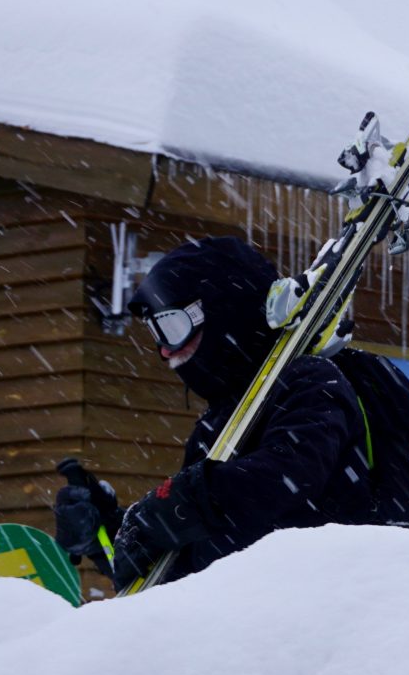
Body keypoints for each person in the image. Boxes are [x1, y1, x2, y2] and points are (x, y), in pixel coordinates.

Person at [84, 237, 377, 587]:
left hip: (323, 607)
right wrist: (108, 533)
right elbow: (193, 561)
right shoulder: (217, 424)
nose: (164, 351)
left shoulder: (310, 382)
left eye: (171, 327)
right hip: (246, 621)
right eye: (155, 333)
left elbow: (285, 479)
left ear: (223, 311)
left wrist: (178, 503)